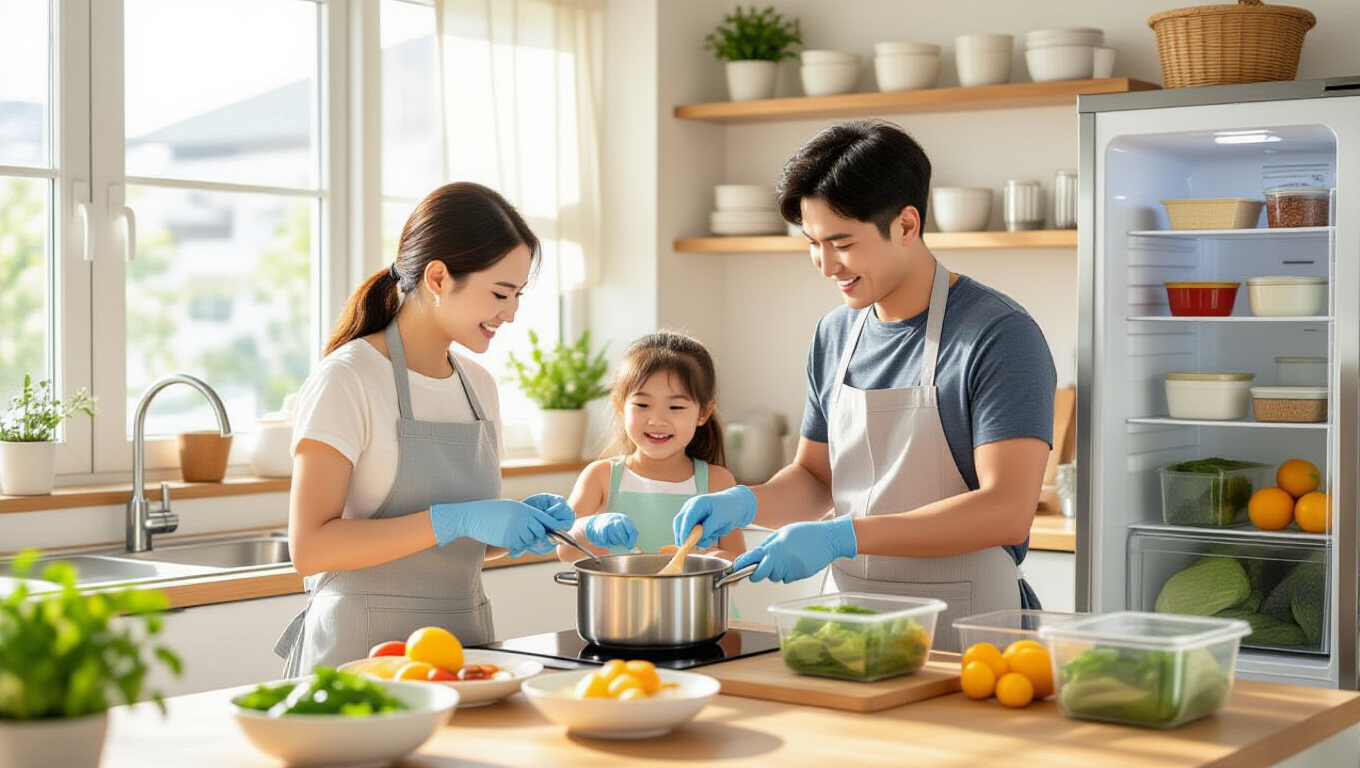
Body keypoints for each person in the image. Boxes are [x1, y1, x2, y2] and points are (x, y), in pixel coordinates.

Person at [672, 120, 1057, 651]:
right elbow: (814, 478)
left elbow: (1006, 509)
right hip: (847, 618)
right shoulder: (835, 334)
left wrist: (842, 535)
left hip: (968, 621)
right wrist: (745, 502)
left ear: (906, 224)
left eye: (842, 243)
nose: (826, 265)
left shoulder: (998, 335)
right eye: (812, 244)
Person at [275, 182, 574, 674]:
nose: (512, 313)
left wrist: (513, 526)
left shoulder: (478, 386)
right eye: (500, 293)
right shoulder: (348, 378)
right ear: (438, 277)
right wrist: (453, 518)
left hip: (463, 654)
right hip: (360, 659)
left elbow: (453, 550)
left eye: (518, 295)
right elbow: (310, 548)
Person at [557, 331, 745, 563]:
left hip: (700, 600)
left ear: (704, 412)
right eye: (643, 404)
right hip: (621, 600)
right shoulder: (601, 476)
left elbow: (738, 563)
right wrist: (589, 528)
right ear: (620, 407)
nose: (656, 420)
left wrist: (711, 559)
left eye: (675, 407)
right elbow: (565, 551)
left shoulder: (718, 482)